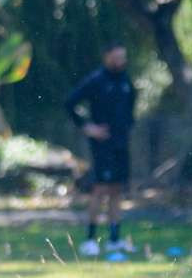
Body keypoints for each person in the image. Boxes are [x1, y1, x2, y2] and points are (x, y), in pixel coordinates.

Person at [66, 42, 135, 255]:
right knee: (100, 189)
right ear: (107, 57)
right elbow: (69, 103)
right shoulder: (97, 80)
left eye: (123, 57)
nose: (120, 61)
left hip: (121, 144)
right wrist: (88, 127)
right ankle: (90, 240)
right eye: (116, 57)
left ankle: (114, 240)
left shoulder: (126, 80)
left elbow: (130, 107)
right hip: (102, 145)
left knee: (116, 189)